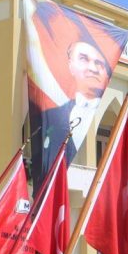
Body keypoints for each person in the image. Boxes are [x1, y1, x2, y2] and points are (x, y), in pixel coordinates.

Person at [34, 39, 112, 186]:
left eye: (99, 63)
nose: (93, 68)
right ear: (70, 65)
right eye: (83, 59)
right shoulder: (52, 116)